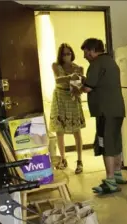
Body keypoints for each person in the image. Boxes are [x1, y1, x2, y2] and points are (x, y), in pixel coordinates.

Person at [80, 38, 127, 194]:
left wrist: (77, 87)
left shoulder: (96, 63)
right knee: (115, 140)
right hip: (117, 109)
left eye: (86, 52)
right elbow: (100, 82)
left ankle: (110, 181)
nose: (84, 56)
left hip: (104, 111)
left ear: (93, 50)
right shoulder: (110, 61)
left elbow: (88, 88)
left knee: (106, 143)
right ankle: (118, 173)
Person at [50, 43, 86, 174]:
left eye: (68, 53)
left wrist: (80, 86)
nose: (66, 56)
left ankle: (80, 161)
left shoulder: (78, 68)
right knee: (60, 130)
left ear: (72, 54)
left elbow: (81, 85)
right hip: (59, 97)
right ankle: (63, 159)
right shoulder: (56, 66)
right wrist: (70, 77)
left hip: (72, 97)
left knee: (76, 131)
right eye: (64, 54)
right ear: (60, 55)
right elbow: (58, 80)